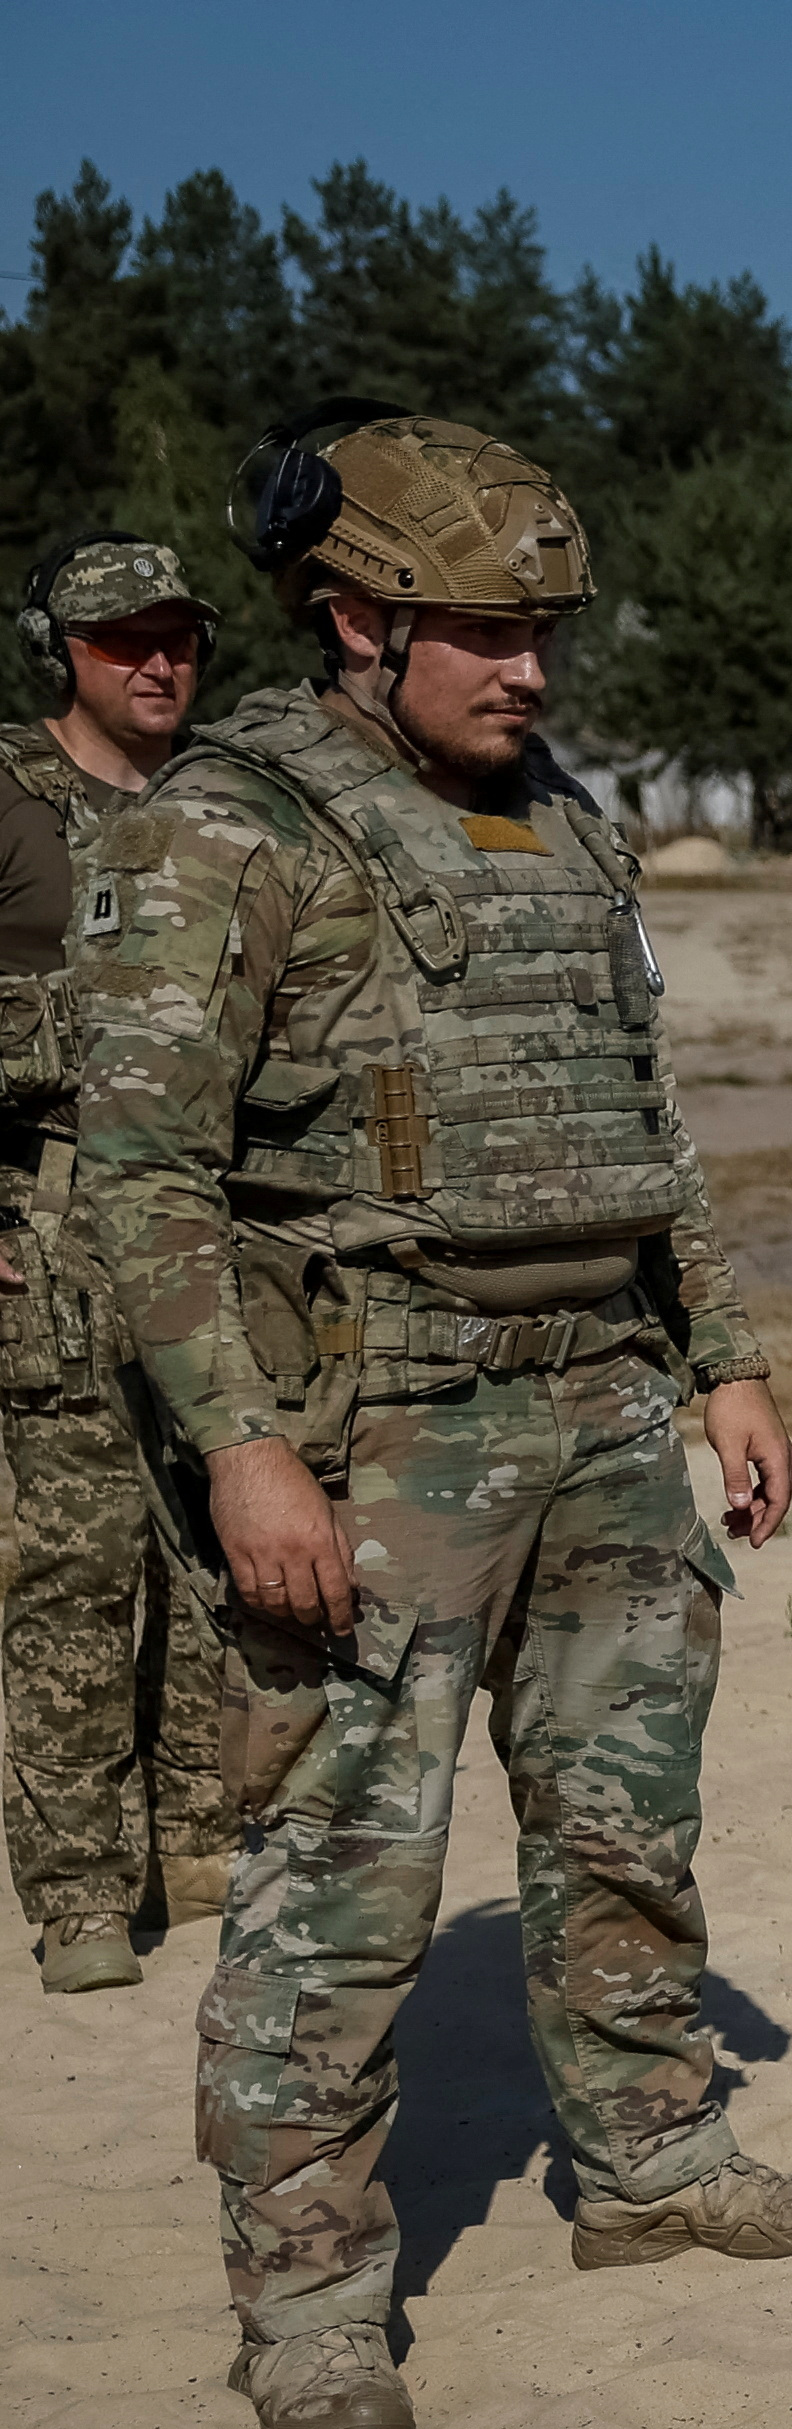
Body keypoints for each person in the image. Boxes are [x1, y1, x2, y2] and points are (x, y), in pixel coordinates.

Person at [71, 411, 792, 2429]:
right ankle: (313, 2289)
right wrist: (246, 1450)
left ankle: (653, 2157)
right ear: (354, 622)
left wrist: (727, 1360)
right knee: (345, 1870)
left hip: (603, 1399)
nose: (529, 672)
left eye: (544, 636)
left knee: (627, 1819)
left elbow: (641, 1118)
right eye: (483, 635)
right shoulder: (225, 828)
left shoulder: (574, 821)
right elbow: (144, 1181)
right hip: (380, 1423)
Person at [4, 533, 231, 1992]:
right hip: (58, 1221)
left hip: (218, 1223)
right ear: (59, 655)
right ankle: (82, 1892)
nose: (156, 664)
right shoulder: (6, 796)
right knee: (73, 1568)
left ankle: (198, 1842)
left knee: (218, 1542)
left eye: (178, 639)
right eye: (119, 641)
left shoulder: (229, 804)